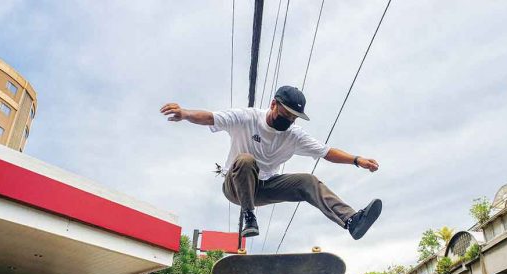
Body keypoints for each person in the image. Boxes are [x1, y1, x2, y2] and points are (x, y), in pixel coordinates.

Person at [160, 86, 382, 239]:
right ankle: (249, 217)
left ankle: (352, 221)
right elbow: (211, 117)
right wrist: (185, 113)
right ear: (273, 104)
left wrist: (356, 160)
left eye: (294, 118)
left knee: (308, 181)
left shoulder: (294, 135)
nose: (289, 121)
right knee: (246, 160)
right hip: (236, 185)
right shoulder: (247, 117)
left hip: (266, 187)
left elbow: (326, 152)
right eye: (286, 115)